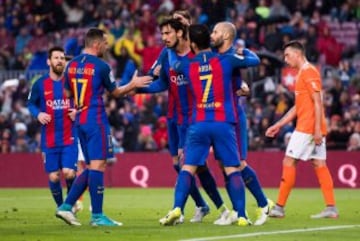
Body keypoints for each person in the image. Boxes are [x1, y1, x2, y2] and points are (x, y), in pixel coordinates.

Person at [159, 24, 259, 226]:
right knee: (232, 169)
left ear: (193, 44)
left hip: (199, 123)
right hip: (223, 121)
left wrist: (170, 47)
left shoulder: (186, 65)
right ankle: (241, 215)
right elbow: (254, 60)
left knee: (187, 167)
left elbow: (173, 63)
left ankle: (178, 207)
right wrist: (245, 50)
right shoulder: (226, 60)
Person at [55, 28, 152, 226]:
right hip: (95, 119)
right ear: (97, 44)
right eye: (106, 43)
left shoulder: (71, 65)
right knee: (98, 166)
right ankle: (97, 216)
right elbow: (116, 93)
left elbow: (66, 95)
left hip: (80, 119)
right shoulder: (102, 66)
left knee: (92, 167)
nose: (108, 46)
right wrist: (133, 84)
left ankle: (66, 207)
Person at [138, 17, 227, 224]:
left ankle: (184, 209)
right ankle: (208, 206)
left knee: (189, 163)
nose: (164, 37)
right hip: (175, 117)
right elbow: (158, 80)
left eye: (168, 32)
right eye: (163, 33)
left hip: (197, 118)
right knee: (186, 165)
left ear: (182, 31)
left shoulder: (199, 54)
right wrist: (136, 87)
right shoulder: (167, 54)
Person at [210, 22, 273, 226]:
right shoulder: (213, 55)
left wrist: (243, 49)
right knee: (223, 165)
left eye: (216, 32)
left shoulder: (233, 57)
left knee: (237, 164)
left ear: (227, 36)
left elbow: (254, 60)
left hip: (234, 118)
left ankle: (264, 204)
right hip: (218, 119)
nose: (212, 35)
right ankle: (239, 210)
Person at [266, 40, 338, 219]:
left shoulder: (309, 71)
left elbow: (318, 102)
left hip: (307, 128)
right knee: (319, 164)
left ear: (297, 54)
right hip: (312, 126)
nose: (285, 59)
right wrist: (278, 125)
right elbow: (298, 107)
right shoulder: (302, 74)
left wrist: (316, 130)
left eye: (287, 55)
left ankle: (279, 207)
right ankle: (331, 207)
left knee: (289, 161)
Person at [27, 46, 78, 212]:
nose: (60, 61)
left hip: (69, 137)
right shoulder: (40, 84)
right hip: (49, 139)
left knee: (69, 173)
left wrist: (77, 111)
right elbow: (30, 103)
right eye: (56, 58)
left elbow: (84, 101)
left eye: (62, 58)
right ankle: (61, 208)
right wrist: (38, 114)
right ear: (49, 61)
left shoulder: (72, 83)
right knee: (54, 176)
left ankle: (69, 205)